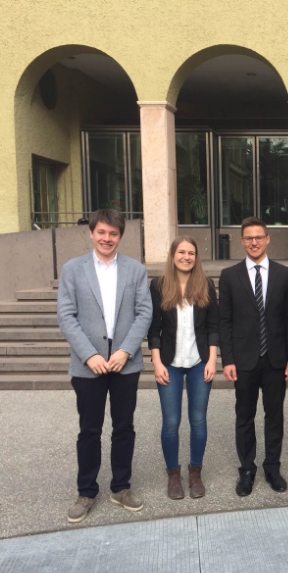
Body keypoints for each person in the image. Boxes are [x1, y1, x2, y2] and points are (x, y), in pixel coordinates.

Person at [57, 209, 152, 523]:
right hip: (89, 366)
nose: (107, 238)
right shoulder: (73, 269)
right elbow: (66, 316)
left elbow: (144, 313)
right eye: (101, 232)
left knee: (124, 428)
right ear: (91, 233)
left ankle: (121, 487)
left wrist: (125, 351)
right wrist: (89, 354)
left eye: (113, 233)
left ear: (120, 236)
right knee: (89, 430)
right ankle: (86, 491)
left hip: (125, 364)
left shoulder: (135, 270)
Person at [218, 216, 288, 496]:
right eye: (248, 238)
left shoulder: (284, 274)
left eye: (258, 237)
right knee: (245, 416)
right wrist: (228, 359)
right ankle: (247, 470)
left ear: (267, 239)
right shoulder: (229, 275)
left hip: (276, 359)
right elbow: (224, 321)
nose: (254, 242)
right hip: (243, 360)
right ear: (241, 241)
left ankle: (272, 468)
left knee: (275, 416)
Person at [148, 236, 219, 500]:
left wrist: (212, 360)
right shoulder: (158, 285)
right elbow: (153, 328)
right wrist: (156, 363)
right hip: (169, 364)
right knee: (171, 422)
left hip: (200, 363)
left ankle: (195, 472)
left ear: (196, 257)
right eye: (181, 252)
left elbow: (213, 326)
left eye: (191, 253)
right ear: (173, 255)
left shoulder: (206, 284)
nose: (186, 257)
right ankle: (173, 475)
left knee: (198, 420)